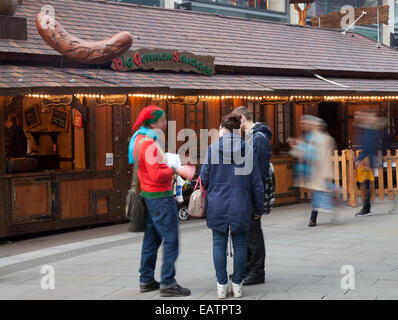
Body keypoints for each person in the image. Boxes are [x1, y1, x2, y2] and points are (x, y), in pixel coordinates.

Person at [200, 113, 264, 299]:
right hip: (241, 203)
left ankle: (221, 286)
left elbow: (204, 178)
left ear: (223, 129)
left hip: (217, 203)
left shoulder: (212, 149)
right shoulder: (248, 149)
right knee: (240, 244)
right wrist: (258, 208)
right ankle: (237, 285)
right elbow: (257, 182)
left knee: (218, 243)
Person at [129, 105, 191, 297]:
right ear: (153, 122)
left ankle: (146, 279)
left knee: (152, 239)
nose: (165, 122)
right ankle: (168, 282)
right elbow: (157, 174)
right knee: (171, 239)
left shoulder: (138, 139)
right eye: (162, 119)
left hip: (148, 195)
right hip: (160, 197)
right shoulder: (149, 143)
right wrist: (176, 169)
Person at [231, 106, 272, 286]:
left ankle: (257, 271)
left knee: (253, 234)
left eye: (234, 120)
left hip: (253, 192)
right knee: (248, 233)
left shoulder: (259, 138)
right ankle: (248, 268)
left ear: (242, 118)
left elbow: (259, 172)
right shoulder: (250, 137)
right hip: (247, 192)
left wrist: (257, 199)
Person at [289, 115, 336, 227]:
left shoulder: (325, 138)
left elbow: (323, 150)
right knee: (319, 191)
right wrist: (294, 146)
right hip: (313, 170)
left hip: (319, 170)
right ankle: (334, 200)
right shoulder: (308, 137)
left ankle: (313, 219)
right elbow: (302, 151)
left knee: (317, 192)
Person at [353, 111, 386, 217]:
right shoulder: (372, 129)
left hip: (368, 160)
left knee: (366, 183)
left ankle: (366, 208)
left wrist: (360, 158)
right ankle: (366, 207)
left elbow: (367, 146)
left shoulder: (369, 130)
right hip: (372, 158)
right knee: (367, 183)